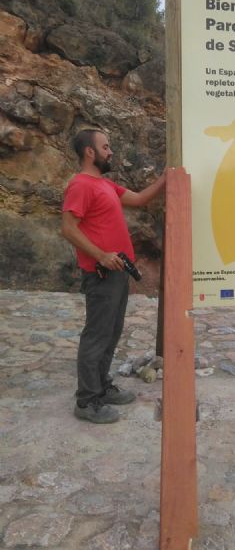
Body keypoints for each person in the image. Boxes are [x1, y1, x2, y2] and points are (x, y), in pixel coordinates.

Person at [62, 128, 165, 424]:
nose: (111, 152)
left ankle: (101, 386)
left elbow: (140, 198)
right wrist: (101, 255)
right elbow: (68, 228)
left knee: (112, 331)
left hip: (118, 272)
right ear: (89, 152)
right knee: (96, 335)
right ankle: (87, 400)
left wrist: (168, 177)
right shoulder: (81, 185)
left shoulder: (105, 184)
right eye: (106, 147)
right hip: (101, 273)